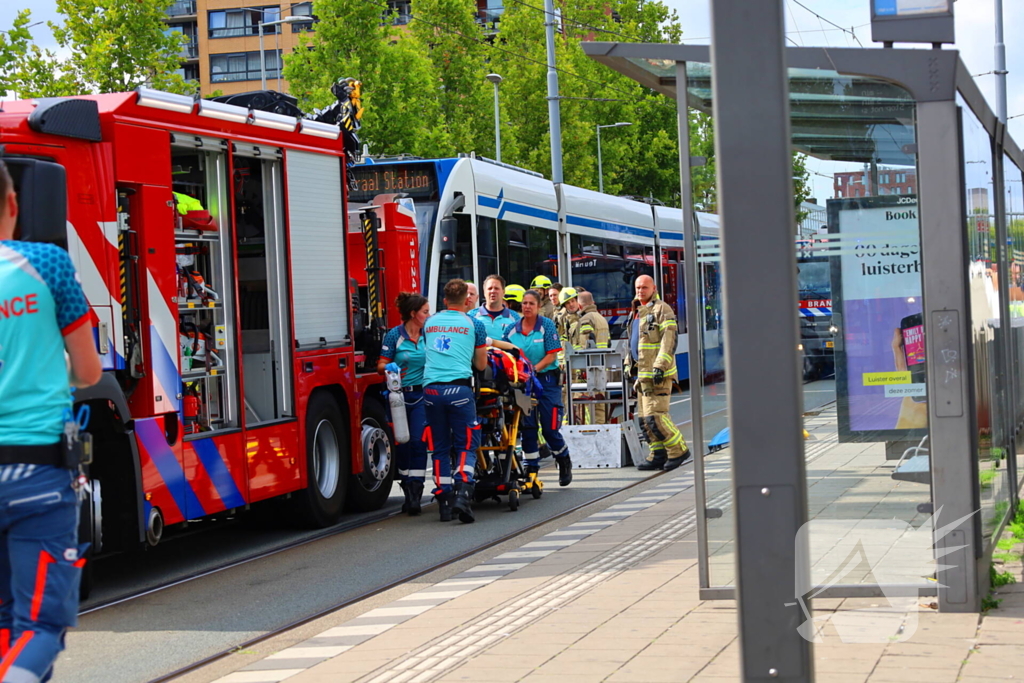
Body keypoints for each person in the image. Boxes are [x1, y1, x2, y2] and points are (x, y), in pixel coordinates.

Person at [0, 159, 102, 683]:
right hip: (36, 475)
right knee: (40, 625)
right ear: (13, 205)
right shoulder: (48, 264)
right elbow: (88, 371)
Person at [423, 279, 488, 523]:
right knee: (466, 445)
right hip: (459, 391)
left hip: (430, 391)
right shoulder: (474, 323)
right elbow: (481, 364)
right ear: (467, 300)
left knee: (439, 448)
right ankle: (463, 494)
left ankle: (444, 501)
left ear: (444, 300)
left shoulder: (429, 323)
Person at [503, 289, 573, 487]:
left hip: (546, 381)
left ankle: (563, 459)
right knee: (528, 427)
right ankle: (531, 468)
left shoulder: (547, 326)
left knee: (550, 428)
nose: (526, 307)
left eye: (531, 303)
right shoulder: (511, 330)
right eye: (524, 303)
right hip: (523, 383)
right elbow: (506, 355)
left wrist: (533, 369)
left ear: (539, 306)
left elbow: (552, 355)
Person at [627, 274, 690, 471]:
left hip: (658, 374)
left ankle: (678, 450)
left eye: (644, 287)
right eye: (638, 287)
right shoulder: (636, 311)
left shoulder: (662, 309)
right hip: (642, 376)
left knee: (657, 416)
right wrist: (628, 365)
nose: (640, 291)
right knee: (645, 420)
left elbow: (669, 340)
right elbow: (634, 343)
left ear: (654, 288)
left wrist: (660, 366)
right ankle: (657, 454)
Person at [378, 293, 430, 516]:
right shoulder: (394, 336)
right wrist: (389, 369)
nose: (429, 316)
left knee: (418, 441)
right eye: (425, 312)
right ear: (413, 314)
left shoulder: (429, 335)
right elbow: (381, 364)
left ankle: (416, 491)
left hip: (421, 395)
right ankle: (406, 486)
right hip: (399, 398)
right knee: (403, 443)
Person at [566, 290, 611, 424]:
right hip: (602, 369)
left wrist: (579, 370)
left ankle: (587, 435)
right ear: (593, 303)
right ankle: (601, 434)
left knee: (581, 407)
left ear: (580, 306)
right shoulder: (601, 318)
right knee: (599, 407)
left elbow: (584, 347)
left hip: (588, 372)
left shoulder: (585, 319)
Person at [471, 274, 520, 341]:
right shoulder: (472, 316)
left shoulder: (515, 317)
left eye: (496, 288)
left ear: (503, 292)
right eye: (490, 288)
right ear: (484, 292)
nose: (493, 291)